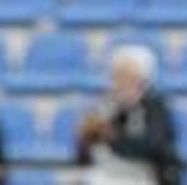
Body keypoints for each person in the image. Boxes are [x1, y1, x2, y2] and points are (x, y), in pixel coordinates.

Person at [74, 46, 181, 185]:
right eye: (117, 77)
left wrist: (112, 136)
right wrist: (85, 139)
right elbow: (83, 159)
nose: (121, 83)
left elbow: (153, 147)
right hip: (105, 175)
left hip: (144, 176)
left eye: (129, 77)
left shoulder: (156, 108)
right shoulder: (103, 107)